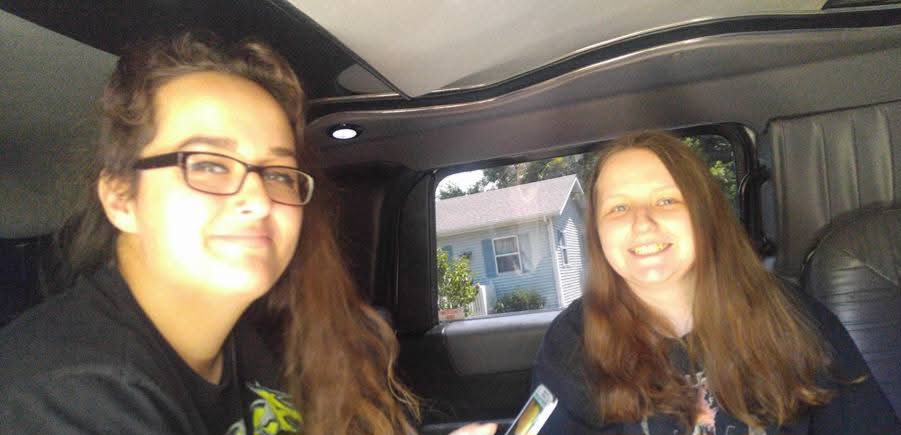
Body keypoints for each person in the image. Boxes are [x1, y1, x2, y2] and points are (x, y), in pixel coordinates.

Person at [0, 33, 427, 435]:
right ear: (121, 198)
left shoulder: (242, 340)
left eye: (278, 174)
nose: (260, 200)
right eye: (209, 164)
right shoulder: (68, 394)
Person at [531, 132, 901, 434]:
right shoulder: (574, 341)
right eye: (619, 208)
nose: (642, 222)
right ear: (597, 232)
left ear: (703, 213)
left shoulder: (789, 314)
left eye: (666, 200)